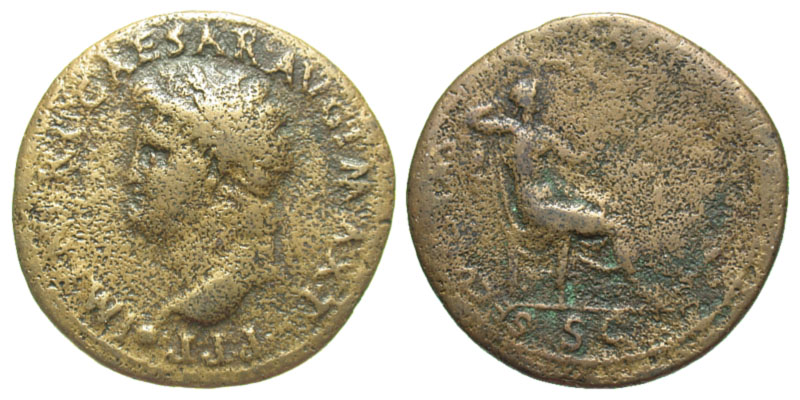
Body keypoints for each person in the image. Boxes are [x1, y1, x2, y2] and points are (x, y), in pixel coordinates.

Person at [123, 61, 292, 327]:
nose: (132, 175)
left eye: (155, 156)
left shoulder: (209, 299)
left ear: (218, 177)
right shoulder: (188, 287)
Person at [468, 78, 634, 281]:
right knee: (617, 227)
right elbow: (576, 158)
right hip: (541, 208)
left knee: (608, 215)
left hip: (543, 203)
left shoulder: (516, 130)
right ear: (535, 104)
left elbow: (474, 120)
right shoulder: (538, 134)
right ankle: (634, 281)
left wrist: (490, 105)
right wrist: (602, 144)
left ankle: (625, 278)